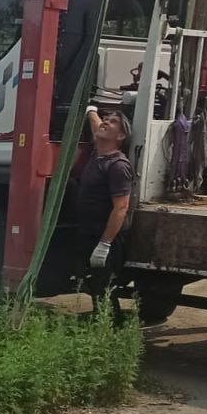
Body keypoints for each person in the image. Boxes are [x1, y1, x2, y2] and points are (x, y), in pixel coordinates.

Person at [74, 105, 134, 323]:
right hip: (90, 231)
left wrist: (105, 244)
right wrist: (90, 109)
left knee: (104, 284)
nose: (106, 122)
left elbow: (121, 208)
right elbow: (95, 124)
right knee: (94, 283)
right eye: (105, 119)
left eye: (113, 122)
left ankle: (109, 325)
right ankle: (103, 321)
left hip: (106, 236)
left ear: (120, 136)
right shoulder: (97, 153)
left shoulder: (117, 165)